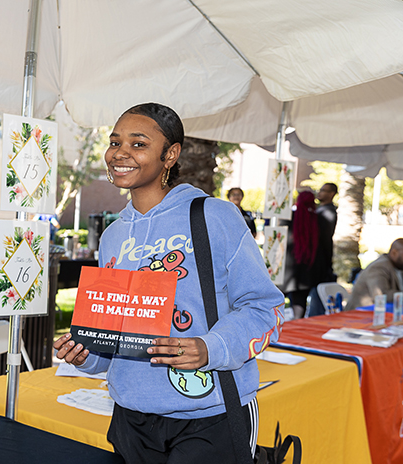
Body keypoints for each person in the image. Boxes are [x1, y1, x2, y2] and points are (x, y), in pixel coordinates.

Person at [53, 103, 284, 463]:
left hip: (211, 416)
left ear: (170, 155)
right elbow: (114, 343)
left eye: (139, 144)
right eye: (115, 142)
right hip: (131, 417)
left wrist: (210, 347)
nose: (120, 153)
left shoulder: (214, 216)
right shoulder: (113, 236)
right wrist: (85, 354)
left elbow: (264, 308)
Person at [280, 191, 319, 319]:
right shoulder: (316, 219)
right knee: (299, 305)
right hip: (306, 267)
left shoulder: (289, 217)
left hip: (286, 267)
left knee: (276, 303)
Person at [306, 182, 338, 316]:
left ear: (331, 194)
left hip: (320, 261)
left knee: (317, 297)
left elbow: (324, 238)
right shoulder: (321, 210)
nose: (320, 193)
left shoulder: (328, 212)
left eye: (324, 191)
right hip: (316, 260)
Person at [345, 239, 403, 311]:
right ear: (394, 253)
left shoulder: (397, 266)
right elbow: (381, 295)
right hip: (361, 314)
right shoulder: (378, 267)